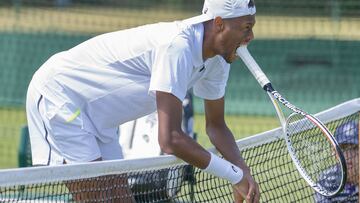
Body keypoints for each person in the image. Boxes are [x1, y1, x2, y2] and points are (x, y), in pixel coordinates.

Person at [26, 0, 260, 202]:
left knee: (121, 199)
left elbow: (216, 126)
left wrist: (244, 172)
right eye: (246, 28)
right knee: (97, 196)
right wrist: (233, 174)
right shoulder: (177, 46)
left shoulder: (219, 60)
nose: (250, 37)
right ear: (219, 23)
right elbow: (170, 139)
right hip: (60, 95)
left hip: (99, 120)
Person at [314, 120, 359, 203]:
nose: (348, 155)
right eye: (343, 148)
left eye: (354, 148)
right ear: (335, 152)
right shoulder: (326, 181)